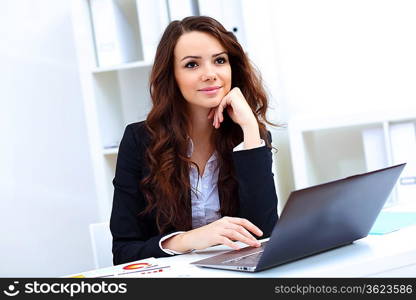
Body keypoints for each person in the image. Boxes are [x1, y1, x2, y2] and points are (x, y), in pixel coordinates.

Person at [110, 16, 279, 265]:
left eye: (220, 60)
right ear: (171, 76)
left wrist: (251, 130)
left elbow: (264, 235)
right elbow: (123, 252)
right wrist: (190, 239)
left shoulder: (250, 136)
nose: (210, 74)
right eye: (191, 65)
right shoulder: (140, 140)